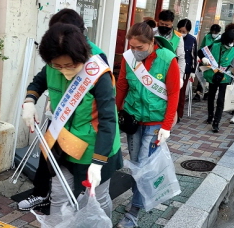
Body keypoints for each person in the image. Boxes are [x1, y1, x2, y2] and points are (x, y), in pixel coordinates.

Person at [21, 23, 122, 219]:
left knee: (97, 200)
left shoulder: (99, 75)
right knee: (60, 196)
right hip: (63, 143)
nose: (63, 70)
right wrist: (29, 101)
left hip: (95, 148)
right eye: (57, 66)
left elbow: (108, 120)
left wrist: (98, 162)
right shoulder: (52, 65)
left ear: (81, 57)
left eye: (69, 65)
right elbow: (38, 82)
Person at [115, 22, 179, 228]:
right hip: (134, 119)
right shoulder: (128, 58)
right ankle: (140, 200)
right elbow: (122, 85)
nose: (135, 51)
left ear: (152, 42)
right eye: (132, 47)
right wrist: (115, 113)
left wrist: (167, 127)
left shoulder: (167, 60)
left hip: (155, 123)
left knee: (143, 166)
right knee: (136, 166)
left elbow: (173, 94)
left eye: (139, 48)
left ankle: (134, 212)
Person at [200, 30, 234, 132]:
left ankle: (216, 122)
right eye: (228, 41)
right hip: (213, 76)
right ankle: (210, 116)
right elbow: (200, 52)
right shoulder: (215, 46)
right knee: (211, 96)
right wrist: (204, 58)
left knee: (221, 100)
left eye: (232, 41)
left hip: (225, 78)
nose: (230, 44)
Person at [153, 10, 185, 83]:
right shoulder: (151, 32)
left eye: (167, 25)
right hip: (151, 68)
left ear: (172, 23)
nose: (164, 26)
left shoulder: (178, 37)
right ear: (158, 21)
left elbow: (181, 58)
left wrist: (180, 77)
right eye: (162, 24)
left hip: (168, 71)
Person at [176, 19, 197, 121]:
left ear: (188, 31)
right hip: (174, 67)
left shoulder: (192, 40)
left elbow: (193, 56)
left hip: (186, 70)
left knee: (181, 92)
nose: (181, 33)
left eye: (184, 32)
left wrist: (193, 71)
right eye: (180, 31)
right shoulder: (174, 37)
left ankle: (178, 114)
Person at [194, 24, 222, 101]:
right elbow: (202, 47)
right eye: (213, 32)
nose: (214, 33)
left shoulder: (220, 39)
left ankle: (207, 93)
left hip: (214, 62)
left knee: (210, 77)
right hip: (205, 60)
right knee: (202, 76)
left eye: (216, 32)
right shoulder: (207, 37)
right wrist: (201, 57)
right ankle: (198, 93)